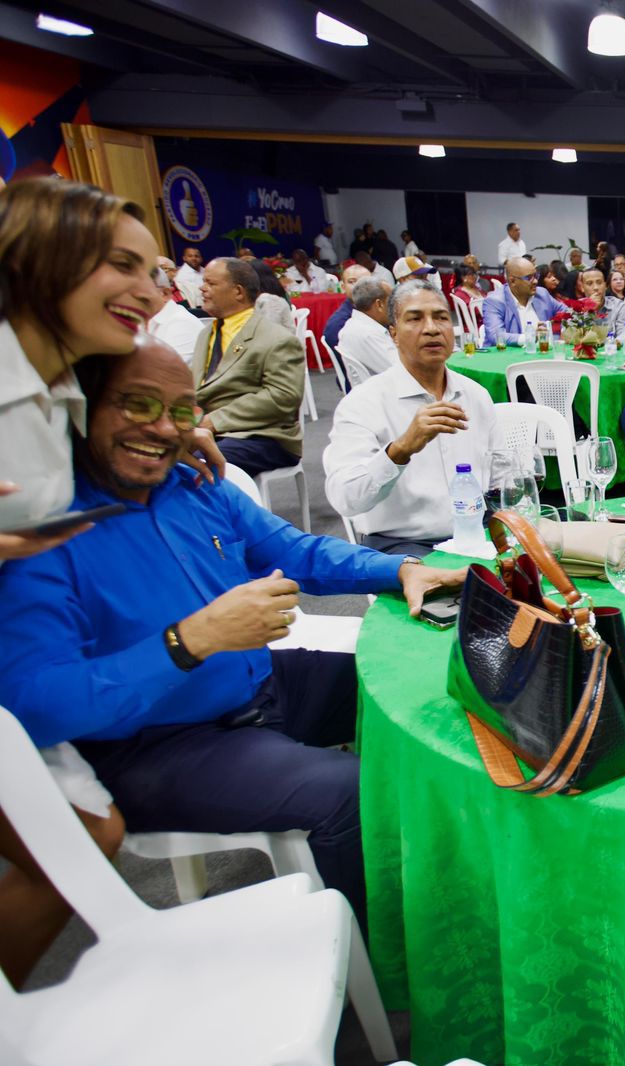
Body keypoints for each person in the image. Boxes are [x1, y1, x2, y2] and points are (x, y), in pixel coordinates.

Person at [0, 336, 467, 935]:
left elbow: (295, 551)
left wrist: (399, 569)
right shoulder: (45, 534)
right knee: (349, 794)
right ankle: (394, 957)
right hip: (157, 743)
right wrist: (188, 641)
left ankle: (460, 879)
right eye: (138, 404)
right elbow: (35, 706)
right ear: (83, 407)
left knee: (421, 687)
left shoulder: (193, 485)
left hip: (261, 686)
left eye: (182, 411)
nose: (163, 428)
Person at [0, 179, 221, 985]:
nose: (152, 292)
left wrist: (177, 433)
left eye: (154, 272)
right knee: (80, 839)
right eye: (121, 266)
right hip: (30, 668)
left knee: (93, 834)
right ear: (41, 257)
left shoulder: (61, 382)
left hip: (30, 650)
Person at [325, 281, 512, 555]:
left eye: (441, 317)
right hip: (401, 545)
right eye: (415, 318)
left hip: (477, 534)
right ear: (393, 333)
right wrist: (400, 450)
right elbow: (345, 499)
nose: (431, 328)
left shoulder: (475, 395)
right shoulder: (364, 403)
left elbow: (501, 477)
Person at [193, 257, 306, 477]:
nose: (202, 288)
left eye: (210, 283)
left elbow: (283, 396)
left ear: (238, 292)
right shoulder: (205, 334)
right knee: (160, 458)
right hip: (210, 430)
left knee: (194, 465)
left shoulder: (276, 338)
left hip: (263, 435)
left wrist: (215, 421)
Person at [336, 278, 398, 389]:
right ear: (379, 304)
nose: (395, 307)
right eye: (391, 301)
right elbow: (402, 371)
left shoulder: (357, 325)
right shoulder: (368, 333)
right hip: (387, 393)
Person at [479, 257, 541, 346]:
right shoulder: (495, 301)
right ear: (512, 281)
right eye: (529, 278)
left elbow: (562, 311)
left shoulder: (541, 293)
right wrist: (529, 337)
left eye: (536, 276)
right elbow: (496, 336)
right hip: (501, 353)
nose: (535, 281)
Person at [323, 262, 371, 350]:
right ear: (343, 287)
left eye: (365, 282)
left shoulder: (378, 310)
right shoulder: (339, 323)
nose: (358, 286)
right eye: (352, 282)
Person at [578, 267, 622, 331]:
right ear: (582, 287)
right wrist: (590, 311)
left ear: (605, 285)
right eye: (589, 283)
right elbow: (571, 334)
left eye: (599, 283)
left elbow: (624, 333)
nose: (596, 288)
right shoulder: (575, 308)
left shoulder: (619, 306)